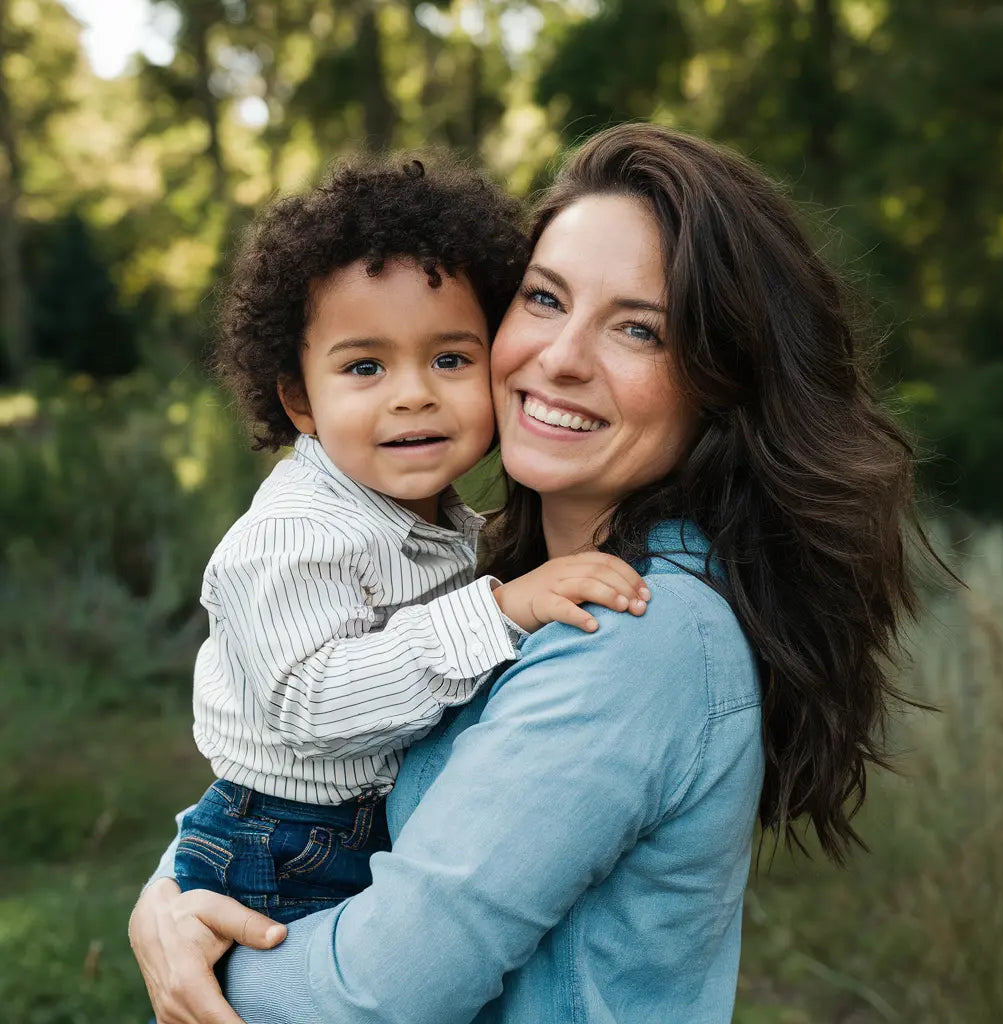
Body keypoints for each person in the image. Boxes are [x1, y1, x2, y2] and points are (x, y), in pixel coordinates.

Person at [131, 123, 926, 1023]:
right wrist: (175, 886)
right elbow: (300, 761)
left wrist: (193, 946)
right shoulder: (508, 573)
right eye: (545, 300)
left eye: (638, 329)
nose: (560, 358)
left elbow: (374, 997)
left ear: (720, 381)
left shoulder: (634, 632)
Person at [171, 154, 651, 927]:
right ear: (298, 398)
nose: (414, 393)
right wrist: (499, 612)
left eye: (450, 358)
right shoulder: (295, 535)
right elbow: (312, 705)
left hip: (357, 829)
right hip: (284, 843)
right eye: (365, 365)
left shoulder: (440, 521)